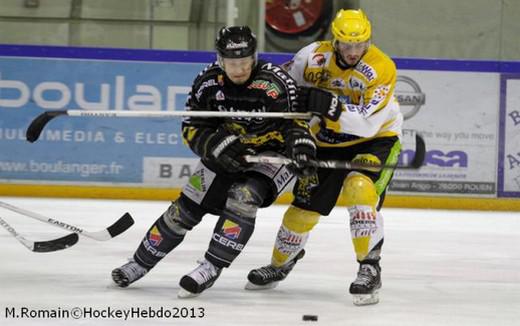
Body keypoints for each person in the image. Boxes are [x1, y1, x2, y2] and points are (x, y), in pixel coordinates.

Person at [111, 26, 317, 298]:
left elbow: (297, 126)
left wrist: (302, 148)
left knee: (243, 197)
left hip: (270, 156)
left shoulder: (276, 82)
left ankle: (211, 266)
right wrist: (214, 145)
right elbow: (193, 128)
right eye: (233, 63)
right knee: (184, 210)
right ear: (220, 59)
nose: (240, 69)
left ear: (254, 58)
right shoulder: (207, 82)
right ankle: (139, 263)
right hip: (226, 152)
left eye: (245, 62)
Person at [245, 9, 403, 306]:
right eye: (346, 44)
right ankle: (280, 265)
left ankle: (369, 267)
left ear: (369, 40)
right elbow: (283, 90)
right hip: (326, 141)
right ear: (335, 40)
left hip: (376, 139)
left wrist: (329, 107)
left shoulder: (382, 67)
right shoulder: (311, 57)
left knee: (359, 188)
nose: (353, 51)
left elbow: (368, 123)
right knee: (301, 212)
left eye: (360, 44)